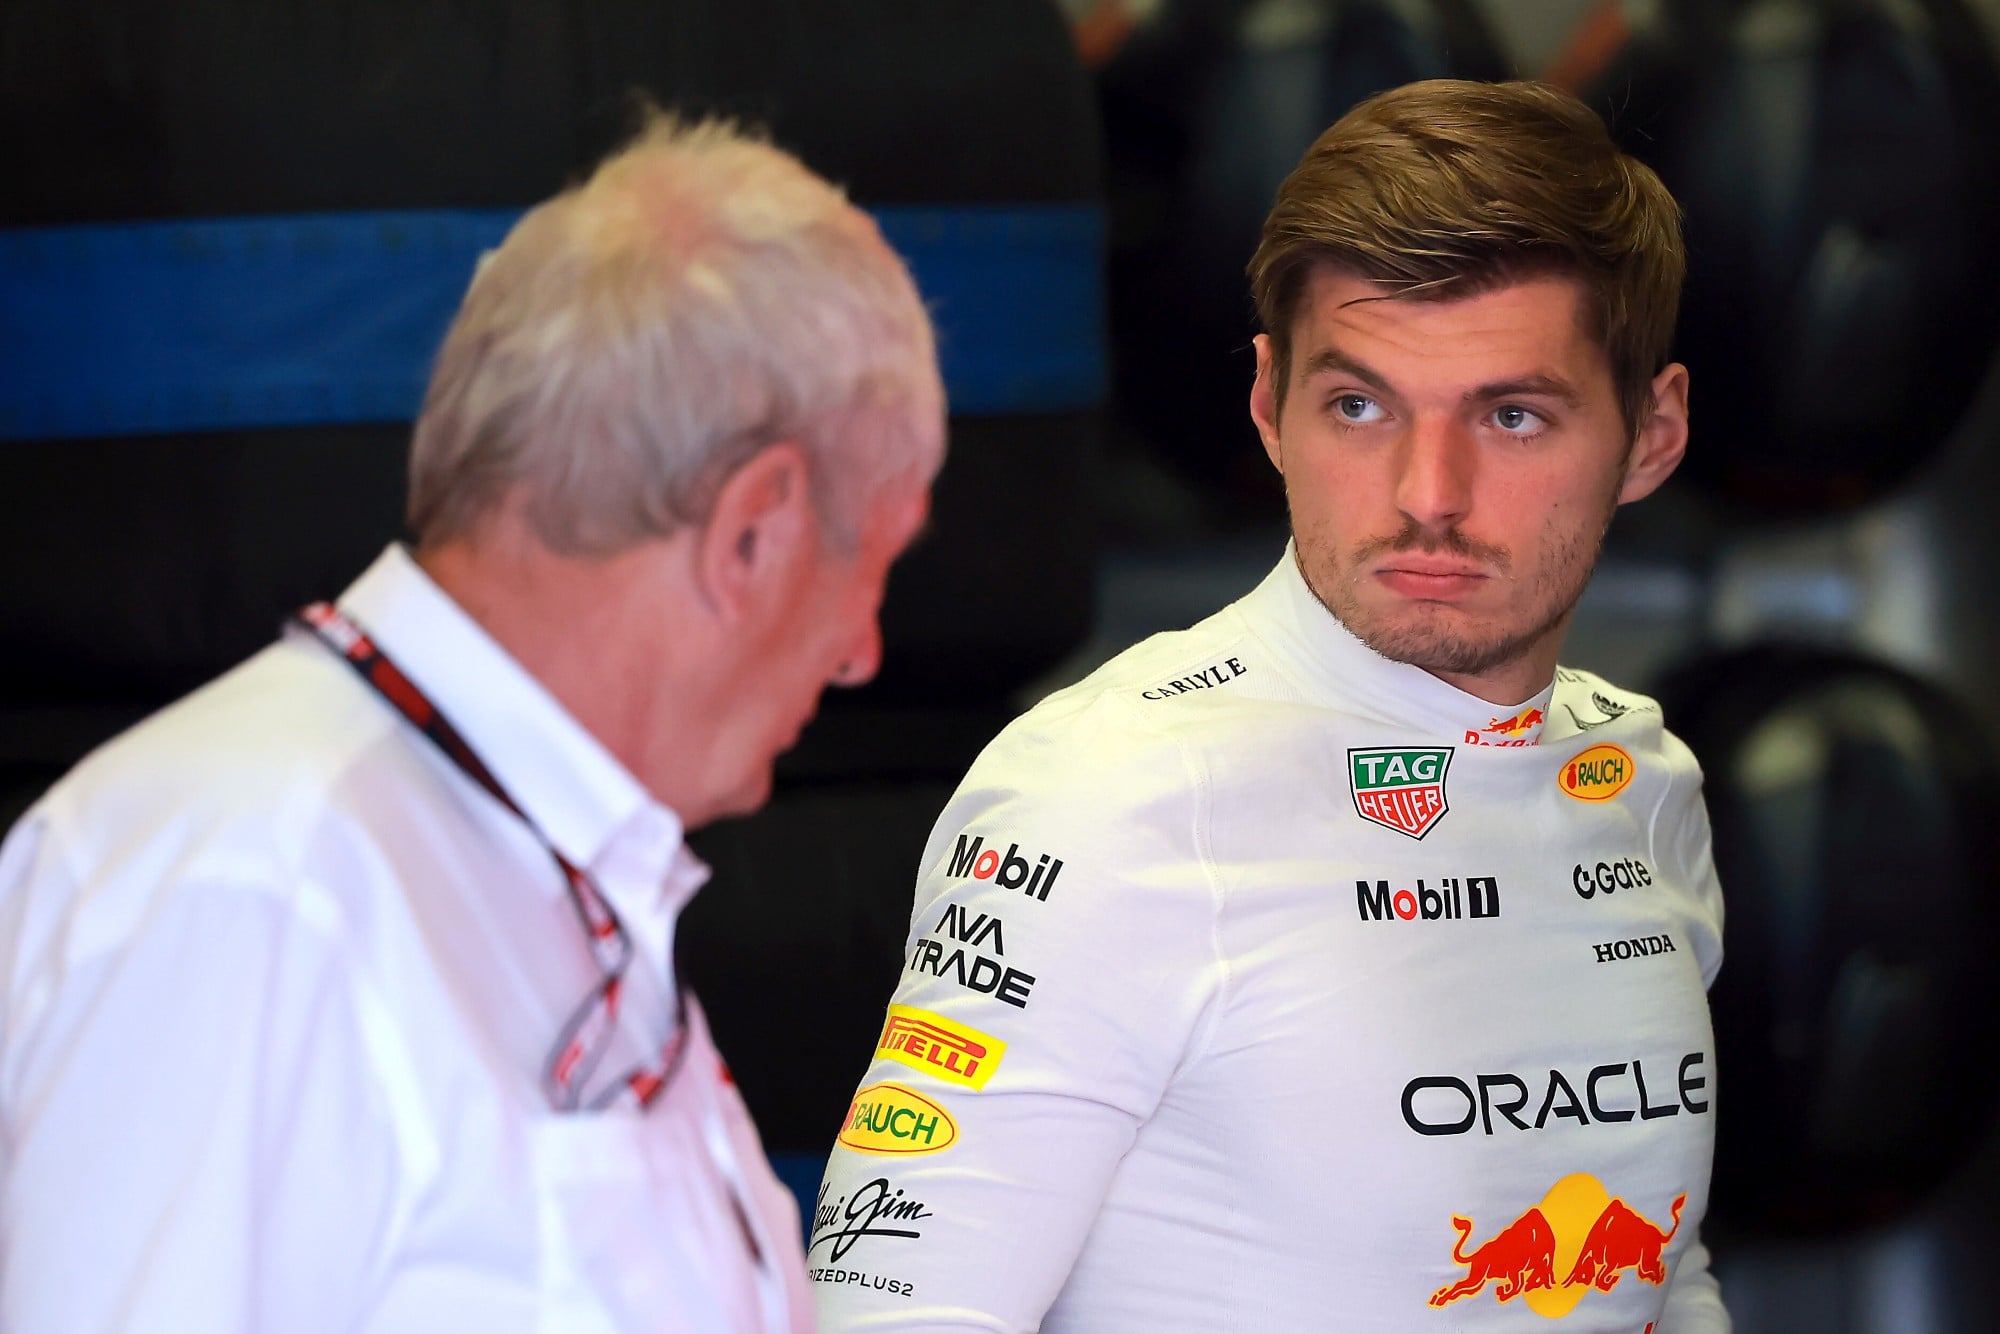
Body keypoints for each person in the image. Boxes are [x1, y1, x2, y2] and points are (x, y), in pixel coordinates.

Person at [0, 114, 942, 1333]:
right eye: (872, 560)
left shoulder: (523, 851)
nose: (865, 650)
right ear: (752, 527)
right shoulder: (251, 883)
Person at [813, 79, 1729, 1331]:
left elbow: (1655, 1272)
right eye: (1358, 406)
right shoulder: (1109, 789)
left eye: (1510, 415)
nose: (1426, 494)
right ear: (1267, 404)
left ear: (1650, 433)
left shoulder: (1638, 777)